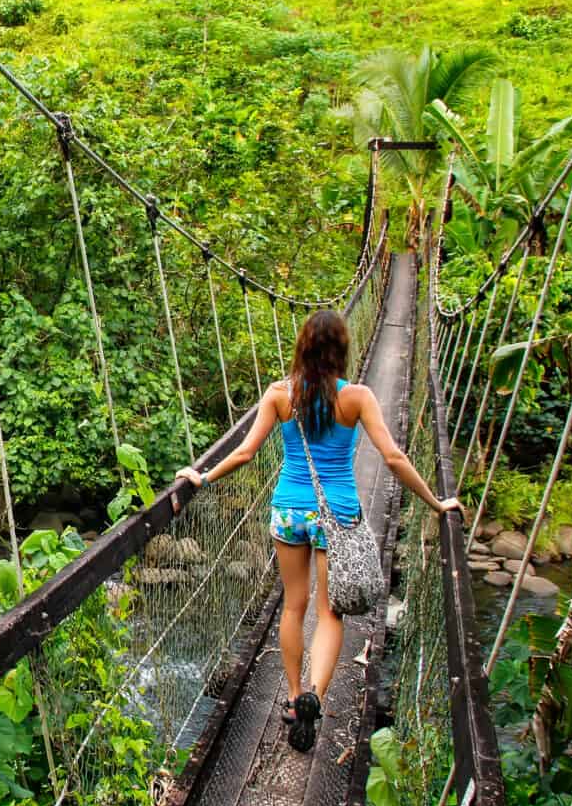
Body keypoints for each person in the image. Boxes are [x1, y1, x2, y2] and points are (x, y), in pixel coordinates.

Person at [175, 310, 459, 753]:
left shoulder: (278, 394)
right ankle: (316, 696)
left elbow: (247, 453)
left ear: (302, 347)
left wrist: (202, 476)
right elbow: (394, 458)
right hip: (338, 516)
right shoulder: (359, 397)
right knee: (329, 612)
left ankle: (291, 696)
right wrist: (436, 503)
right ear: (343, 350)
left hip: (290, 511)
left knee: (294, 606)